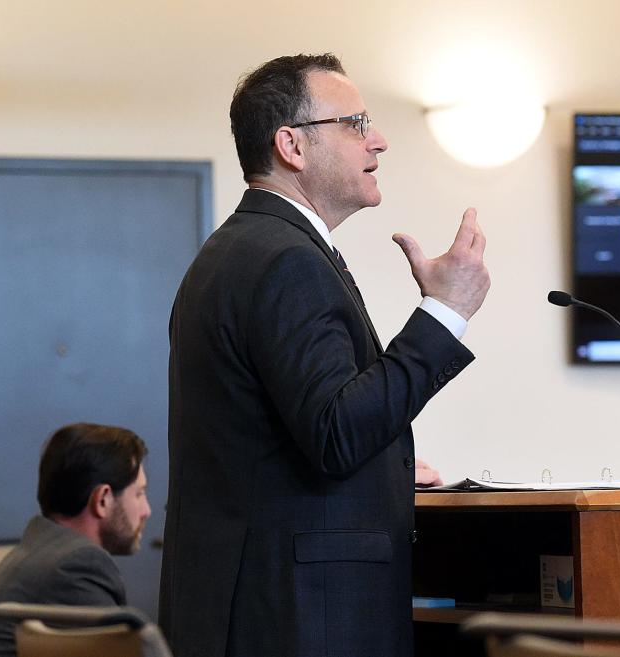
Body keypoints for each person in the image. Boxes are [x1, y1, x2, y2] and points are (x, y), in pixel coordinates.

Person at [159, 53, 490, 657]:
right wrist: (445, 313)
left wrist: (384, 473)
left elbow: (288, 431)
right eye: (356, 123)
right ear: (292, 145)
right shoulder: (286, 259)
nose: (379, 140)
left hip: (255, 604)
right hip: (297, 616)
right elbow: (337, 431)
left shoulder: (240, 249)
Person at [0, 422, 152, 657]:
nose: (146, 510)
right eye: (139, 494)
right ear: (103, 499)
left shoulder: (42, 550)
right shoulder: (77, 566)